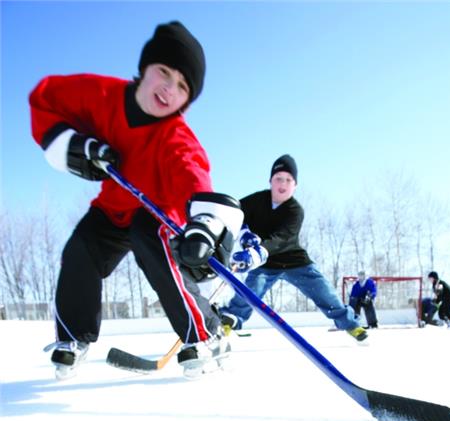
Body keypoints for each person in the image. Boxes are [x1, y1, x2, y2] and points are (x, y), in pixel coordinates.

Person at [29, 21, 250, 379]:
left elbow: (194, 175)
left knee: (155, 247)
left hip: (155, 212)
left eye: (182, 86)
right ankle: (72, 337)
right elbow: (45, 98)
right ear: (144, 69)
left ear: (187, 101)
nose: (169, 88)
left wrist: (206, 225)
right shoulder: (102, 95)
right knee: (79, 251)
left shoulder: (176, 136)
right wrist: (73, 146)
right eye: (163, 72)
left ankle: (204, 333)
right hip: (112, 208)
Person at [219, 155, 368, 342]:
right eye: (278, 178)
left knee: (324, 293)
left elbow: (282, 238)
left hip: (294, 261)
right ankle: (229, 320)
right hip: (265, 264)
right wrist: (244, 234)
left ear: (295, 185)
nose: (283, 183)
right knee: (249, 292)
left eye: (289, 180)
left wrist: (257, 252)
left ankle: (351, 325)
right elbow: (233, 213)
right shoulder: (255, 201)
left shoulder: (295, 210)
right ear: (270, 181)